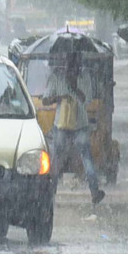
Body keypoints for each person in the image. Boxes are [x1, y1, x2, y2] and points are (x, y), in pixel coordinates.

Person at [45, 52, 105, 205]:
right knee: (86, 157)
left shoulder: (57, 77)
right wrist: (69, 93)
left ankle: (50, 192)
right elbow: (88, 100)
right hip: (80, 125)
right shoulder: (83, 78)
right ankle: (94, 191)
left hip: (62, 124)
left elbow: (46, 100)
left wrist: (64, 94)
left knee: (57, 159)